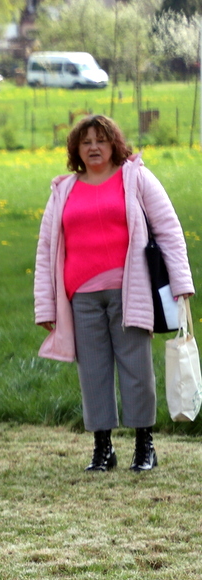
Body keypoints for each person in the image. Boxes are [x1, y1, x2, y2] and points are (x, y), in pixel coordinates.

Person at [34, 114, 194, 471]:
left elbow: (168, 229)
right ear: (76, 148)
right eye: (86, 141)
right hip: (81, 297)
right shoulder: (63, 190)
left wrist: (181, 284)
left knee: (136, 370)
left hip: (130, 291)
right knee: (93, 373)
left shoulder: (135, 177)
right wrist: (46, 307)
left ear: (113, 144)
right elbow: (46, 249)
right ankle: (103, 448)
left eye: (101, 140)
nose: (93, 147)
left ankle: (144, 445)